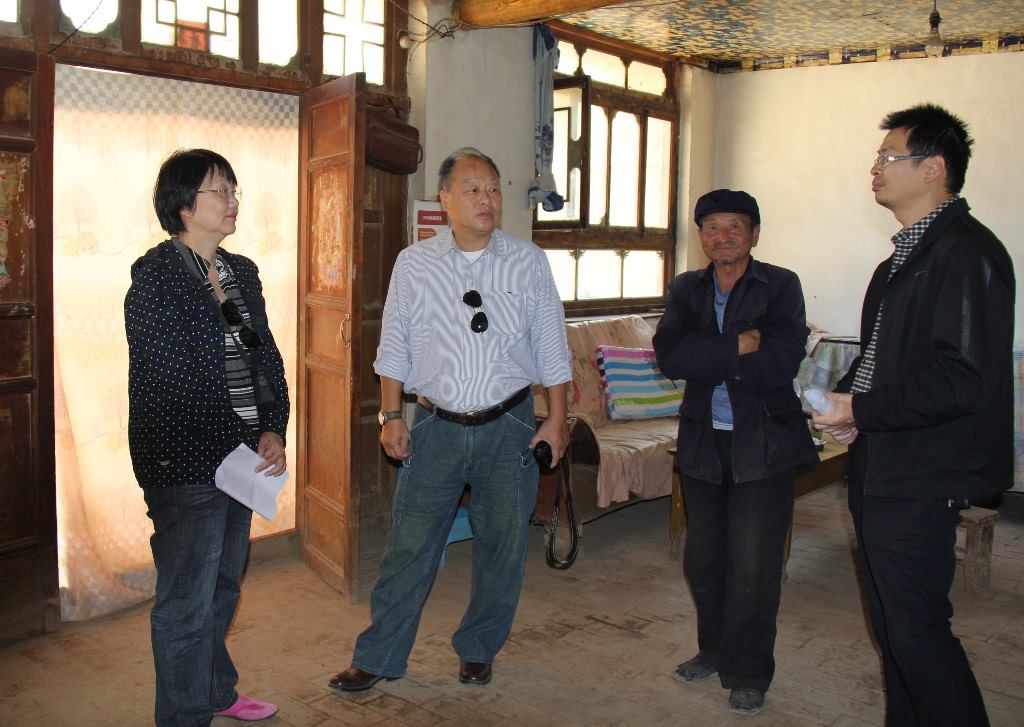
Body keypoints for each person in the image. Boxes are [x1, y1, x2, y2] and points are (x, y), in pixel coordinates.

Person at [328, 147, 572, 691]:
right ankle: (379, 657)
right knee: (409, 547)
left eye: (494, 189)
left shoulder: (528, 262)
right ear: (444, 199)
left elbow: (552, 346)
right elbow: (393, 345)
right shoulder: (414, 263)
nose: (487, 200)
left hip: (509, 426)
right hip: (434, 426)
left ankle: (479, 648)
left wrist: (556, 420)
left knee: (503, 548)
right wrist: (391, 415)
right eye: (473, 189)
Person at [813, 104, 1014, 727]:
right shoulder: (900, 260)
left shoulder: (967, 253)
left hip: (924, 473)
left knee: (919, 633)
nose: (874, 168)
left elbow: (963, 378)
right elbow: (879, 359)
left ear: (933, 169)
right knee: (893, 629)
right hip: (884, 464)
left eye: (888, 156)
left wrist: (863, 407)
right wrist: (849, 405)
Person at [125, 149, 289, 726]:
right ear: (184, 205)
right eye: (220, 190)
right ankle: (183, 716)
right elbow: (170, 379)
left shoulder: (241, 272)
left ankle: (216, 691)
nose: (232, 200)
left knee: (223, 586)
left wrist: (272, 426)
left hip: (240, 457)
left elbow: (263, 355)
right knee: (185, 603)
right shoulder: (156, 277)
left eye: (234, 189)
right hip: (185, 461)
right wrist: (233, 444)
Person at [653, 189, 818, 716]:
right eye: (712, 227)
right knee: (704, 561)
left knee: (753, 565)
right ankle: (713, 650)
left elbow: (781, 363)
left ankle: (748, 672)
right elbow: (669, 357)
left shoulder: (781, 285)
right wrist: (737, 346)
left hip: (764, 443)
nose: (722, 236)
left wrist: (707, 357)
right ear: (701, 235)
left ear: (754, 234)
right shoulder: (686, 288)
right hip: (703, 441)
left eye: (734, 226)